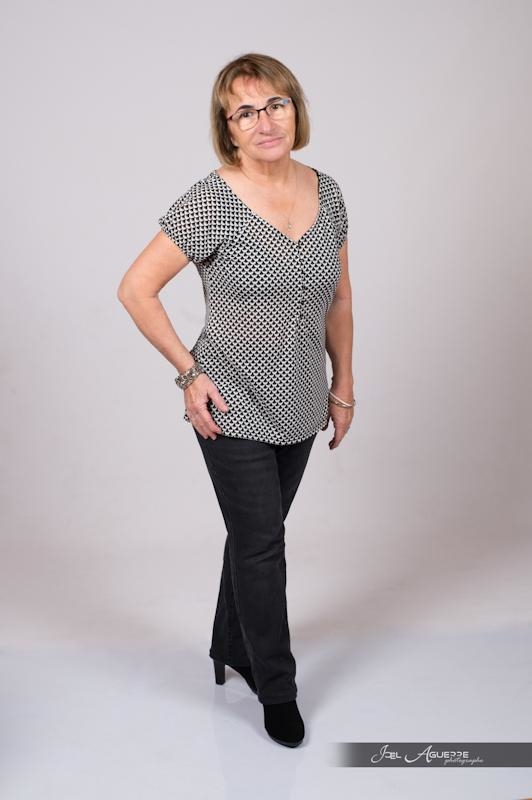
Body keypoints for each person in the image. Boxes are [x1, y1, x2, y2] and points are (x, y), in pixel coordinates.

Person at [117, 52, 355, 748]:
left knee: (255, 536)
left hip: (303, 398)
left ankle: (230, 645)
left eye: (275, 104)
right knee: (263, 545)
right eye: (244, 112)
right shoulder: (211, 201)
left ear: (295, 109)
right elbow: (136, 289)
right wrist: (188, 374)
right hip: (230, 400)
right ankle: (277, 688)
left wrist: (344, 384)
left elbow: (340, 299)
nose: (264, 121)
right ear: (228, 127)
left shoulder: (329, 192)